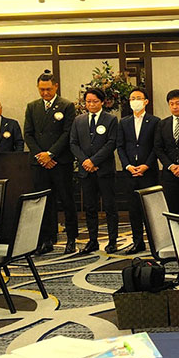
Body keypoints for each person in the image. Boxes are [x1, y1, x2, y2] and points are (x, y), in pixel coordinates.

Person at [24, 70, 78, 255]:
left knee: (67, 200)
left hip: (60, 162)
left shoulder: (67, 105)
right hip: (39, 163)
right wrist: (41, 156)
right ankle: (46, 239)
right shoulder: (32, 106)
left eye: (48, 89)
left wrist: (51, 154)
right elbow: (28, 134)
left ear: (56, 87)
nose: (45, 93)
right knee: (43, 202)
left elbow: (67, 133)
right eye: (41, 89)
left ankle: (71, 239)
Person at [69, 87, 119, 254]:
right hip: (86, 171)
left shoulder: (111, 119)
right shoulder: (78, 120)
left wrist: (94, 161)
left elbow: (111, 143)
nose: (91, 104)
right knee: (90, 207)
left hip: (104, 170)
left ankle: (112, 241)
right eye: (88, 101)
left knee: (110, 207)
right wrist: (85, 161)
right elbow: (73, 143)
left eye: (95, 101)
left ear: (102, 102)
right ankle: (92, 240)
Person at [116, 87, 160, 254]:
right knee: (133, 210)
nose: (135, 101)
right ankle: (137, 242)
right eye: (132, 98)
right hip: (130, 173)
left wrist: (146, 165)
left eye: (138, 98)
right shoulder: (124, 122)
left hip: (148, 172)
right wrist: (127, 166)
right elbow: (120, 146)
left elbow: (156, 147)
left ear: (146, 101)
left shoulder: (155, 121)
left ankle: (155, 243)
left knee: (150, 210)